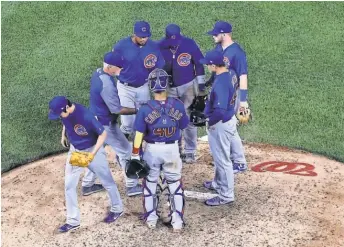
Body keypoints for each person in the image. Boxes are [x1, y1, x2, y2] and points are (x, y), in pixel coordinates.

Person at [48, 96, 123, 233]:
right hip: (76, 152)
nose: (59, 116)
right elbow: (65, 121)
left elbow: (103, 134)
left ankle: (117, 209)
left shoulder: (85, 116)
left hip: (92, 150)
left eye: (60, 113)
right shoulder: (65, 112)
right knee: (69, 186)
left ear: (66, 107)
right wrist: (63, 135)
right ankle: (73, 221)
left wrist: (92, 154)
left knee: (108, 182)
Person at [130, 68, 189, 231]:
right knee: (175, 185)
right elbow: (183, 126)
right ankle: (177, 222)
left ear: (150, 86)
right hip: (172, 150)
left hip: (152, 151)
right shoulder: (178, 105)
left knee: (150, 185)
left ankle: (151, 219)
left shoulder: (144, 108)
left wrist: (135, 154)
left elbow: (139, 134)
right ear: (167, 84)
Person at [82, 51, 143, 197]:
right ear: (109, 67)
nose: (121, 70)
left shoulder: (98, 73)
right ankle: (132, 186)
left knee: (94, 154)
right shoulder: (107, 84)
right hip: (105, 126)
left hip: (94, 121)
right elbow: (116, 109)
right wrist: (138, 110)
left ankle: (87, 185)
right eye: (119, 67)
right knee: (127, 152)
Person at [199, 50, 246, 206]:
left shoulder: (221, 83)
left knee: (223, 160)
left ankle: (226, 195)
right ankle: (218, 184)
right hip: (229, 120)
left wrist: (207, 120)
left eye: (208, 64)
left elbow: (219, 110)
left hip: (220, 124)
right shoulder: (230, 73)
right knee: (220, 157)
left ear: (214, 65)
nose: (206, 66)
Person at [157, 24, 206, 163]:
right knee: (172, 118)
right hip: (169, 88)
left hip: (188, 86)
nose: (173, 44)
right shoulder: (159, 46)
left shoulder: (189, 44)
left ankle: (190, 151)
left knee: (189, 118)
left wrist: (201, 86)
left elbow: (199, 64)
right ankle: (176, 150)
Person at [206, 21, 248, 173]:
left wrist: (243, 101)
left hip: (232, 94)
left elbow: (243, 76)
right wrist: (208, 83)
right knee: (230, 127)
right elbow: (215, 69)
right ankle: (237, 161)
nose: (213, 36)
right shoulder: (218, 48)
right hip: (221, 91)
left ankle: (237, 161)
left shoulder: (237, 52)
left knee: (228, 126)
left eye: (215, 34)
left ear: (224, 34)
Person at [112, 21, 165, 139]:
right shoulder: (121, 46)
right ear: (134, 34)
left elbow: (159, 65)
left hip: (143, 87)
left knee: (144, 120)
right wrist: (119, 73)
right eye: (141, 37)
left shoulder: (153, 46)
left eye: (146, 36)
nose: (144, 39)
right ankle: (122, 152)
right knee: (127, 124)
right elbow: (112, 63)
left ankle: (138, 152)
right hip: (125, 88)